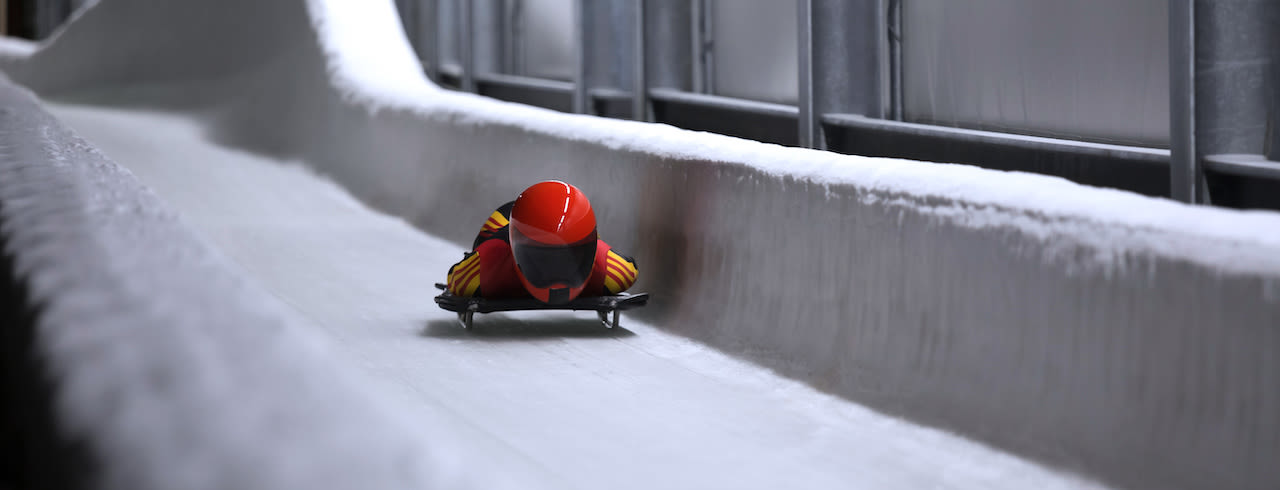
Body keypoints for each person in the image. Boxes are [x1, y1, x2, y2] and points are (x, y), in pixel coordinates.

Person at [445, 180, 639, 304]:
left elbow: (454, 279)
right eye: (543, 259)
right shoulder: (489, 264)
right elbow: (456, 278)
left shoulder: (608, 268)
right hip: (502, 224)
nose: (555, 269)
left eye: (566, 259)